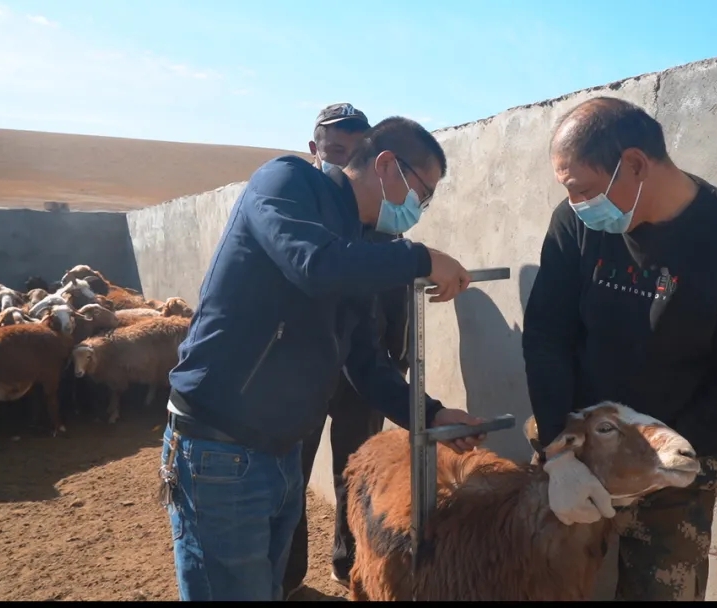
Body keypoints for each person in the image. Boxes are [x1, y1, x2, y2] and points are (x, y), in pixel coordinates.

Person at [161, 114, 487, 602]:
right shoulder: (286, 183)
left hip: (280, 453)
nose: (420, 209)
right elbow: (313, 265)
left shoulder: (355, 242)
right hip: (220, 450)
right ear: (387, 166)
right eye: (423, 193)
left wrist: (433, 414)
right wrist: (421, 259)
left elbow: (364, 361)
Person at [521, 96, 717, 601]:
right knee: (541, 584)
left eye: (583, 189)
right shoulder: (574, 224)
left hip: (674, 465)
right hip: (576, 451)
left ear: (636, 165)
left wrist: (656, 458)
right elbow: (547, 337)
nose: (576, 203)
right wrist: (557, 452)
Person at [282, 103, 412, 596]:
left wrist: (395, 360)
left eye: (354, 151)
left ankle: (349, 562)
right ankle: (289, 574)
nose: (343, 161)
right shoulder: (300, 215)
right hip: (308, 375)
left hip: (365, 373)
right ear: (314, 150)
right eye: (335, 150)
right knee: (292, 475)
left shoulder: (382, 222)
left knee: (355, 475)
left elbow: (396, 299)